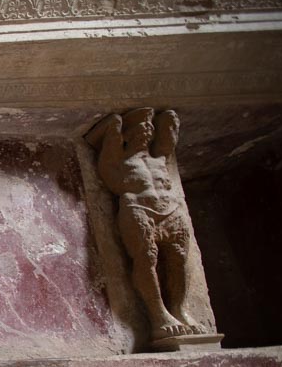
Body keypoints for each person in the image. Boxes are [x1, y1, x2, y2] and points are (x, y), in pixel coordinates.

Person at [86, 108, 203, 341]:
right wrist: (114, 127)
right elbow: (106, 161)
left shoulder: (159, 158)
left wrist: (168, 119)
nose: (147, 132)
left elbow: (170, 133)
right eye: (140, 129)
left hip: (170, 210)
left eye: (149, 128)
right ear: (127, 135)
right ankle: (158, 315)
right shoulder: (121, 160)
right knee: (146, 259)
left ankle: (179, 308)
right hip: (139, 209)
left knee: (179, 259)